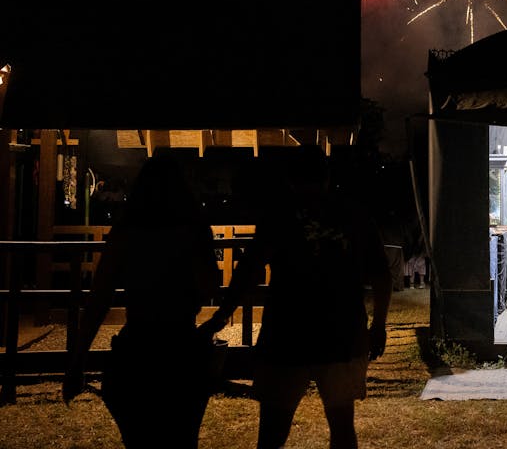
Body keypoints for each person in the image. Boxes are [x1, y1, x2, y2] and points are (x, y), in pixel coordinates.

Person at [198, 145, 392, 449]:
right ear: (327, 176)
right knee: (342, 425)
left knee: (273, 430)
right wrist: (378, 325)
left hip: (287, 333)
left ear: (290, 178)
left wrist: (222, 315)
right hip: (342, 332)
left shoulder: (279, 213)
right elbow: (382, 275)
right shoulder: (353, 214)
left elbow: (248, 270)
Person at [62, 153, 223, 449]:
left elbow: (99, 297)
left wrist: (78, 360)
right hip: (182, 347)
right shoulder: (194, 232)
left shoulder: (127, 233)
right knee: (182, 438)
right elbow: (209, 285)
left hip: (137, 347)